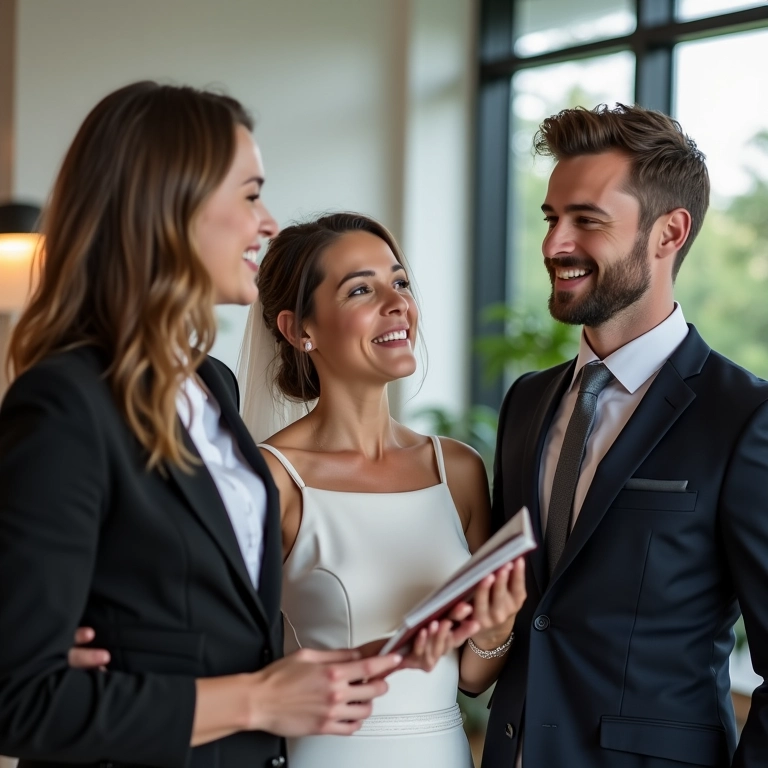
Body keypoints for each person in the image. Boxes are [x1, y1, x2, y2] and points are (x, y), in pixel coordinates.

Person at [0, 81, 408, 768]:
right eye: (250, 194)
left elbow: (199, 622)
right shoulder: (65, 404)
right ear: (172, 206)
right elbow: (19, 701)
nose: (269, 221)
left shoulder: (211, 385)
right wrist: (256, 700)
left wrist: (348, 668)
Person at [482, 103, 768, 768]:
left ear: (669, 233)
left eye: (587, 220)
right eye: (552, 218)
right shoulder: (526, 403)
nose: (555, 243)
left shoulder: (744, 417)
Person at [236, 212, 528, 767]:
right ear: (300, 329)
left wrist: (496, 626)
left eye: (399, 282)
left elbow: (470, 678)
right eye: (361, 289)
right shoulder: (268, 480)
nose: (397, 303)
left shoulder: (458, 470)